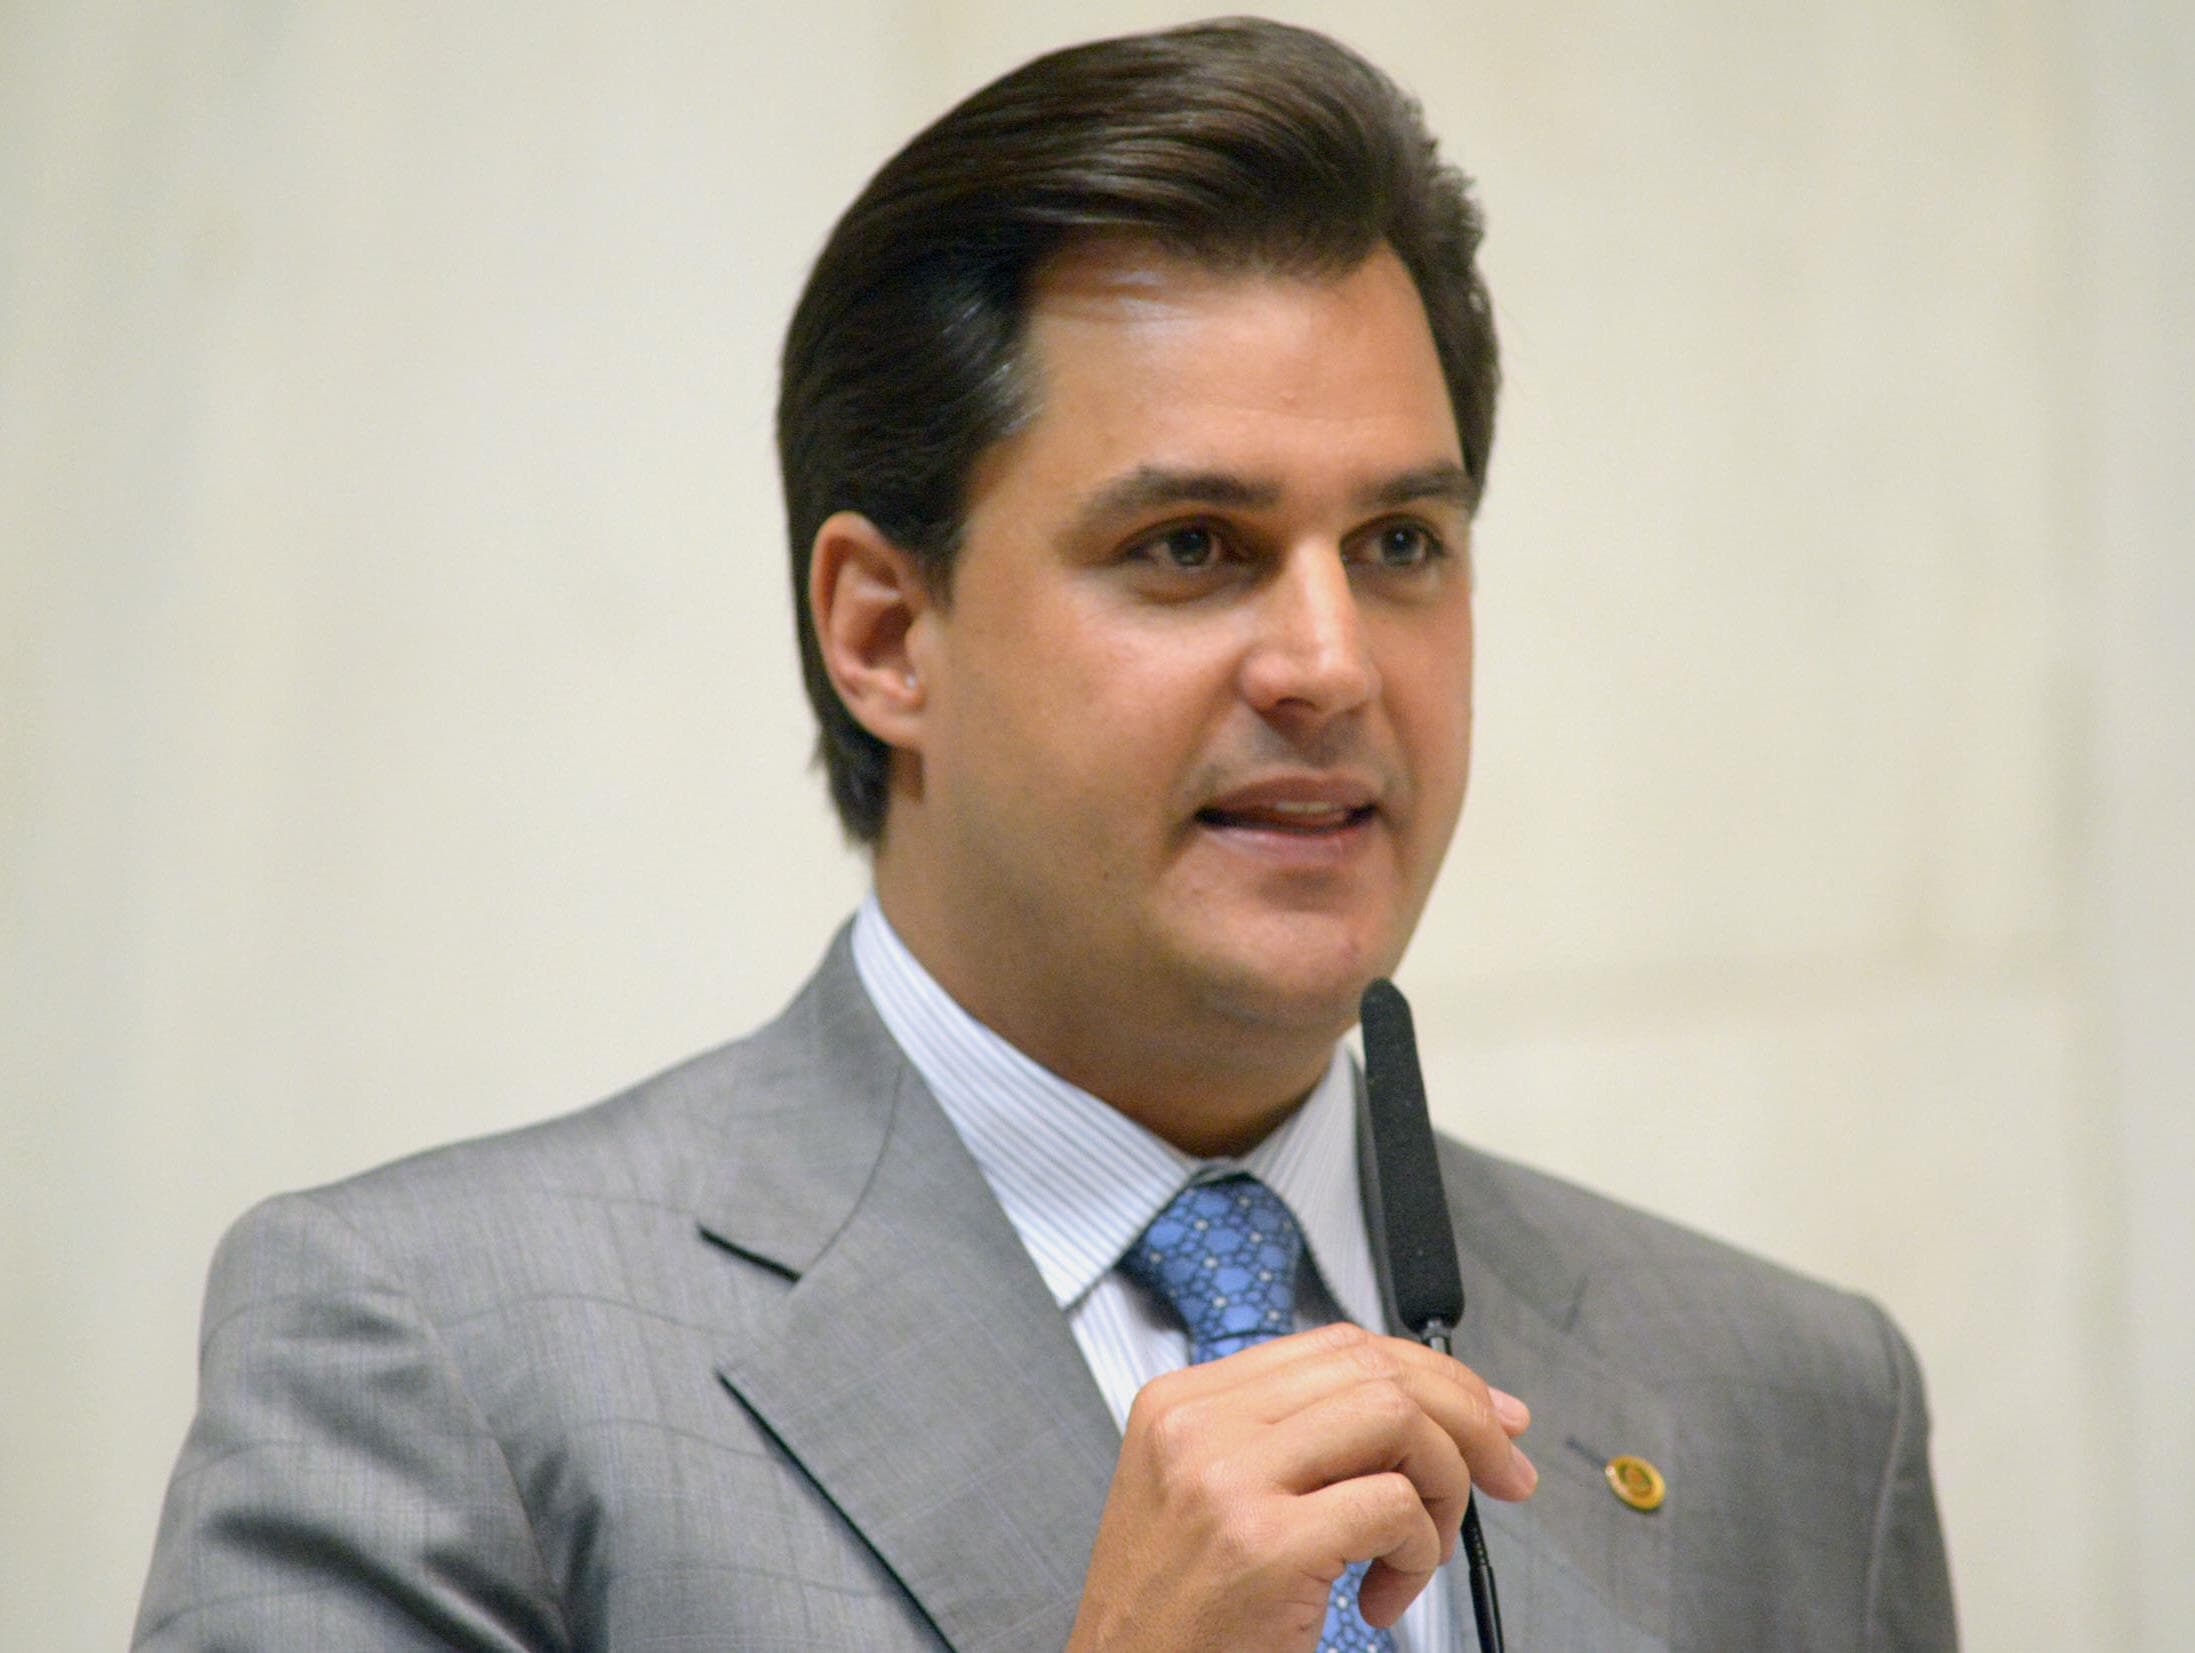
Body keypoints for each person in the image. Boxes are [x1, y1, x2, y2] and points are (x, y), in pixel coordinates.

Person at [134, 19, 1957, 1651]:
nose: (1332, 662)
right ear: (884, 633)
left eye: (1401, 542)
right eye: (1191, 547)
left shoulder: (1795, 1406)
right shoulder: (432, 1354)